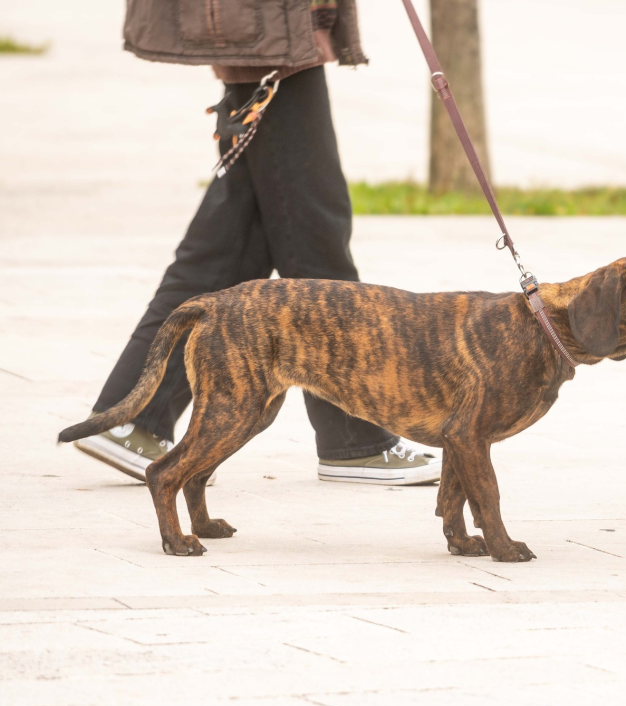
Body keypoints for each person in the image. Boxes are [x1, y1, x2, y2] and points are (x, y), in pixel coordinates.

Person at [73, 0, 441, 487]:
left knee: (233, 248)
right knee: (315, 242)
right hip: (267, 35)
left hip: (267, 34)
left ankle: (132, 419)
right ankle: (354, 442)